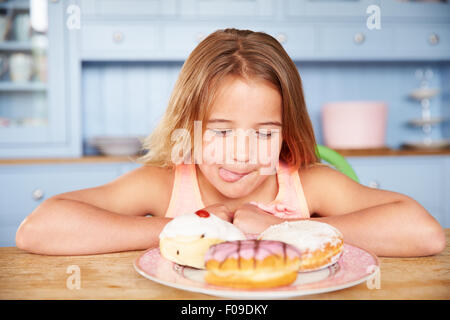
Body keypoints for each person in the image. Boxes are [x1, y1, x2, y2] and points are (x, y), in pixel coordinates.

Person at [15, 28, 445, 257]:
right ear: (189, 125)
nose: (241, 152)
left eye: (263, 132)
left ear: (286, 131)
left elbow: (425, 235)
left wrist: (283, 227)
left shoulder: (306, 185)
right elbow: (39, 229)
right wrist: (187, 229)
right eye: (220, 131)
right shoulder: (165, 185)